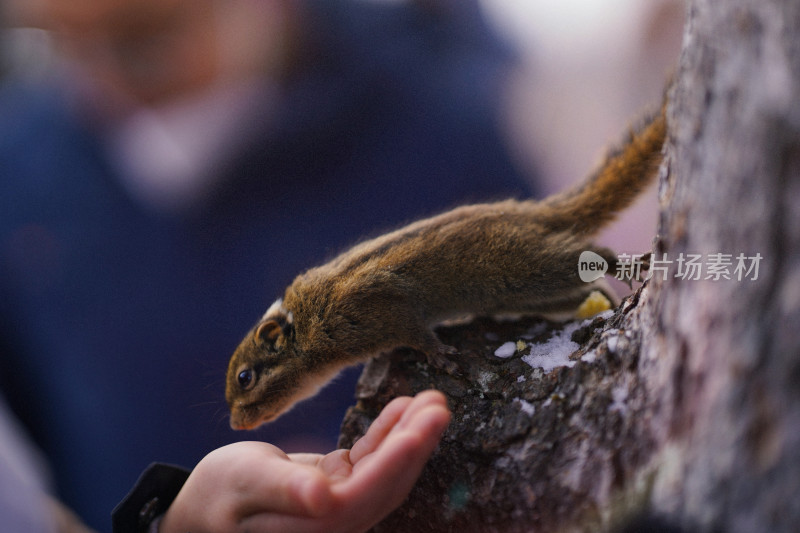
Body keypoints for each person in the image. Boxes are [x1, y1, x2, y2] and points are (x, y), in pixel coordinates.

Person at [0, 0, 535, 529]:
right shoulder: (22, 178)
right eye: (55, 40)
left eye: (143, 43)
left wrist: (355, 462)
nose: (99, 83)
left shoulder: (438, 117)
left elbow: (534, 363)